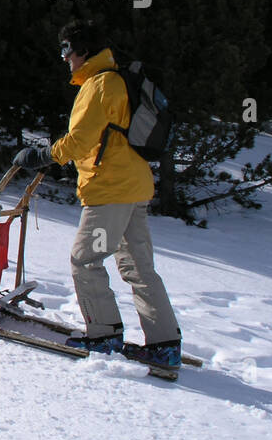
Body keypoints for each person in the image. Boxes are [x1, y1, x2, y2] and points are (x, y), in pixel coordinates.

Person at [14, 20, 182, 374]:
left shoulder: (99, 84)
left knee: (85, 259)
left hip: (111, 192)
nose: (64, 58)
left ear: (83, 52)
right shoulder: (115, 79)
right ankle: (165, 344)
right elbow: (104, 138)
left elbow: (79, 140)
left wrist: (42, 156)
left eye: (66, 50)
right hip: (133, 187)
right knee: (139, 266)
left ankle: (104, 334)